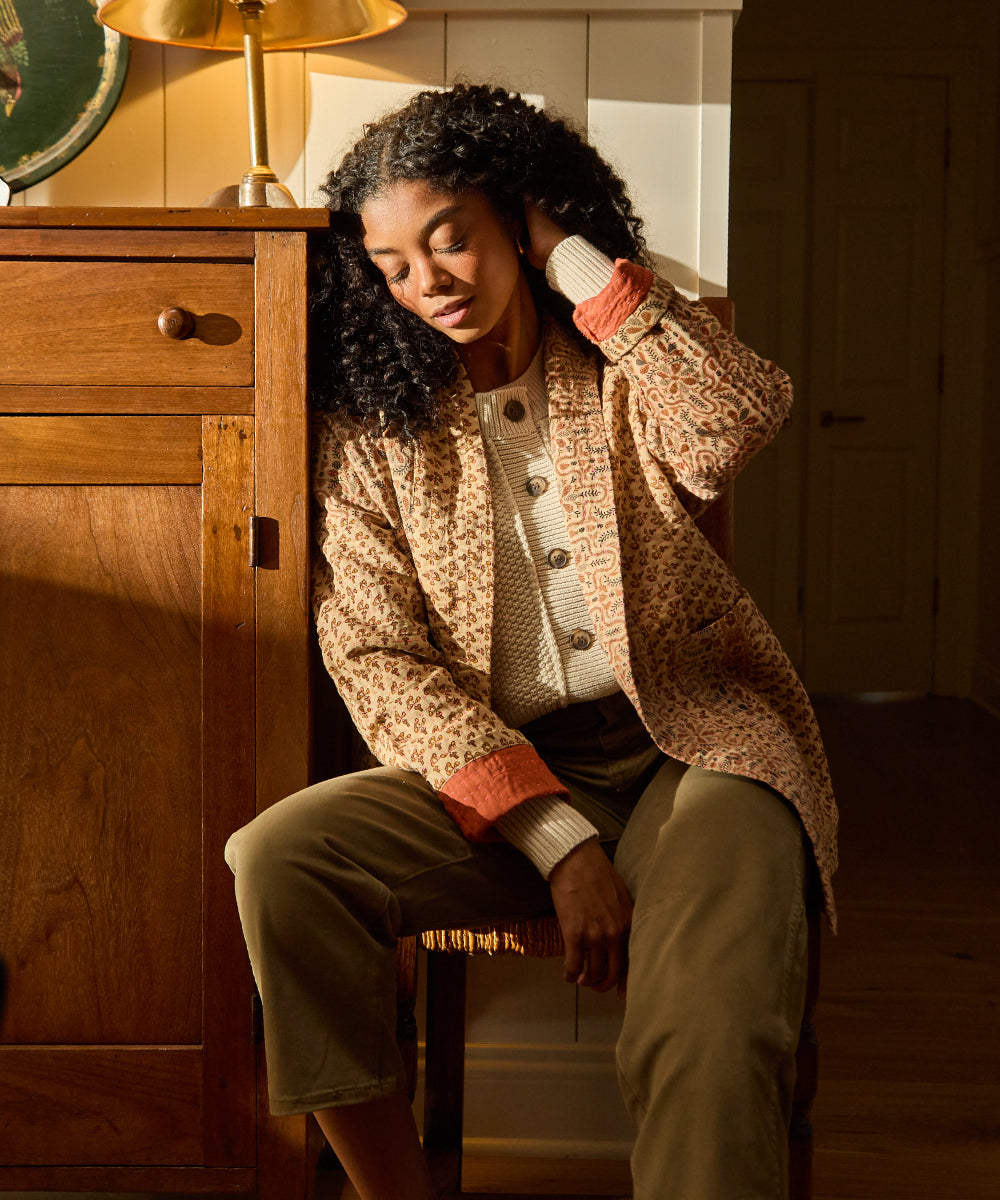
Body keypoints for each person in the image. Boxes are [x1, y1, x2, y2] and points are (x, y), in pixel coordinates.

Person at [225, 83, 838, 1200]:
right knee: (280, 858)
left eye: (452, 237)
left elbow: (735, 421)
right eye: (395, 264)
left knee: (704, 1011)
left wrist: (569, 255)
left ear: (513, 216)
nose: (429, 284)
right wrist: (557, 837)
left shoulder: (621, 365)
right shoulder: (373, 432)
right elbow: (372, 656)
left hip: (693, 746)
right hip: (493, 768)